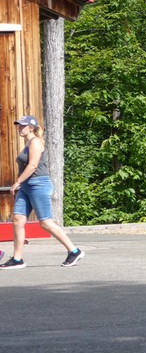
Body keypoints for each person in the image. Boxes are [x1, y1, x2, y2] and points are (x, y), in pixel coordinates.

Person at [2, 115, 84, 269]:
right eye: (19, 125)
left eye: (23, 125)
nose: (20, 128)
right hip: (27, 186)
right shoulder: (27, 144)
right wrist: (22, 183)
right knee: (18, 220)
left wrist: (17, 182)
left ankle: (74, 251)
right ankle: (17, 259)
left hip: (39, 184)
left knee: (45, 222)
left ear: (31, 127)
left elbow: (33, 165)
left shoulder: (36, 142)